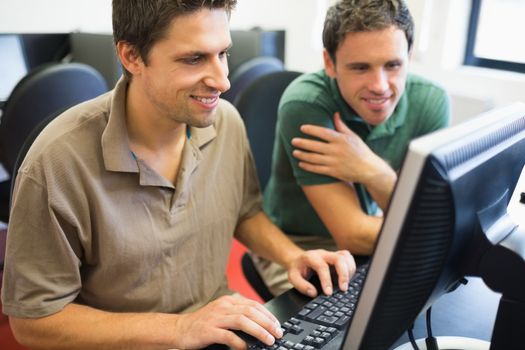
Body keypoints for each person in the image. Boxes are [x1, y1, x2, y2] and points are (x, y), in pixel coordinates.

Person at [0, 1, 356, 349]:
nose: (223, 80)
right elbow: (34, 322)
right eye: (195, 58)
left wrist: (291, 256)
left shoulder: (225, 121)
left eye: (223, 54)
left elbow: (245, 212)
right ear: (131, 57)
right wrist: (180, 328)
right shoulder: (57, 162)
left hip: (219, 329)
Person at [252, 0, 451, 296]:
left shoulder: (431, 102)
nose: (380, 86)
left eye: (393, 65)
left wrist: (373, 171)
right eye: (360, 67)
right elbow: (353, 234)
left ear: (409, 55)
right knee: (346, 331)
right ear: (329, 63)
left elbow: (418, 213)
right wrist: (436, 235)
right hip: (298, 245)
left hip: (380, 233)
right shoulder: (306, 104)